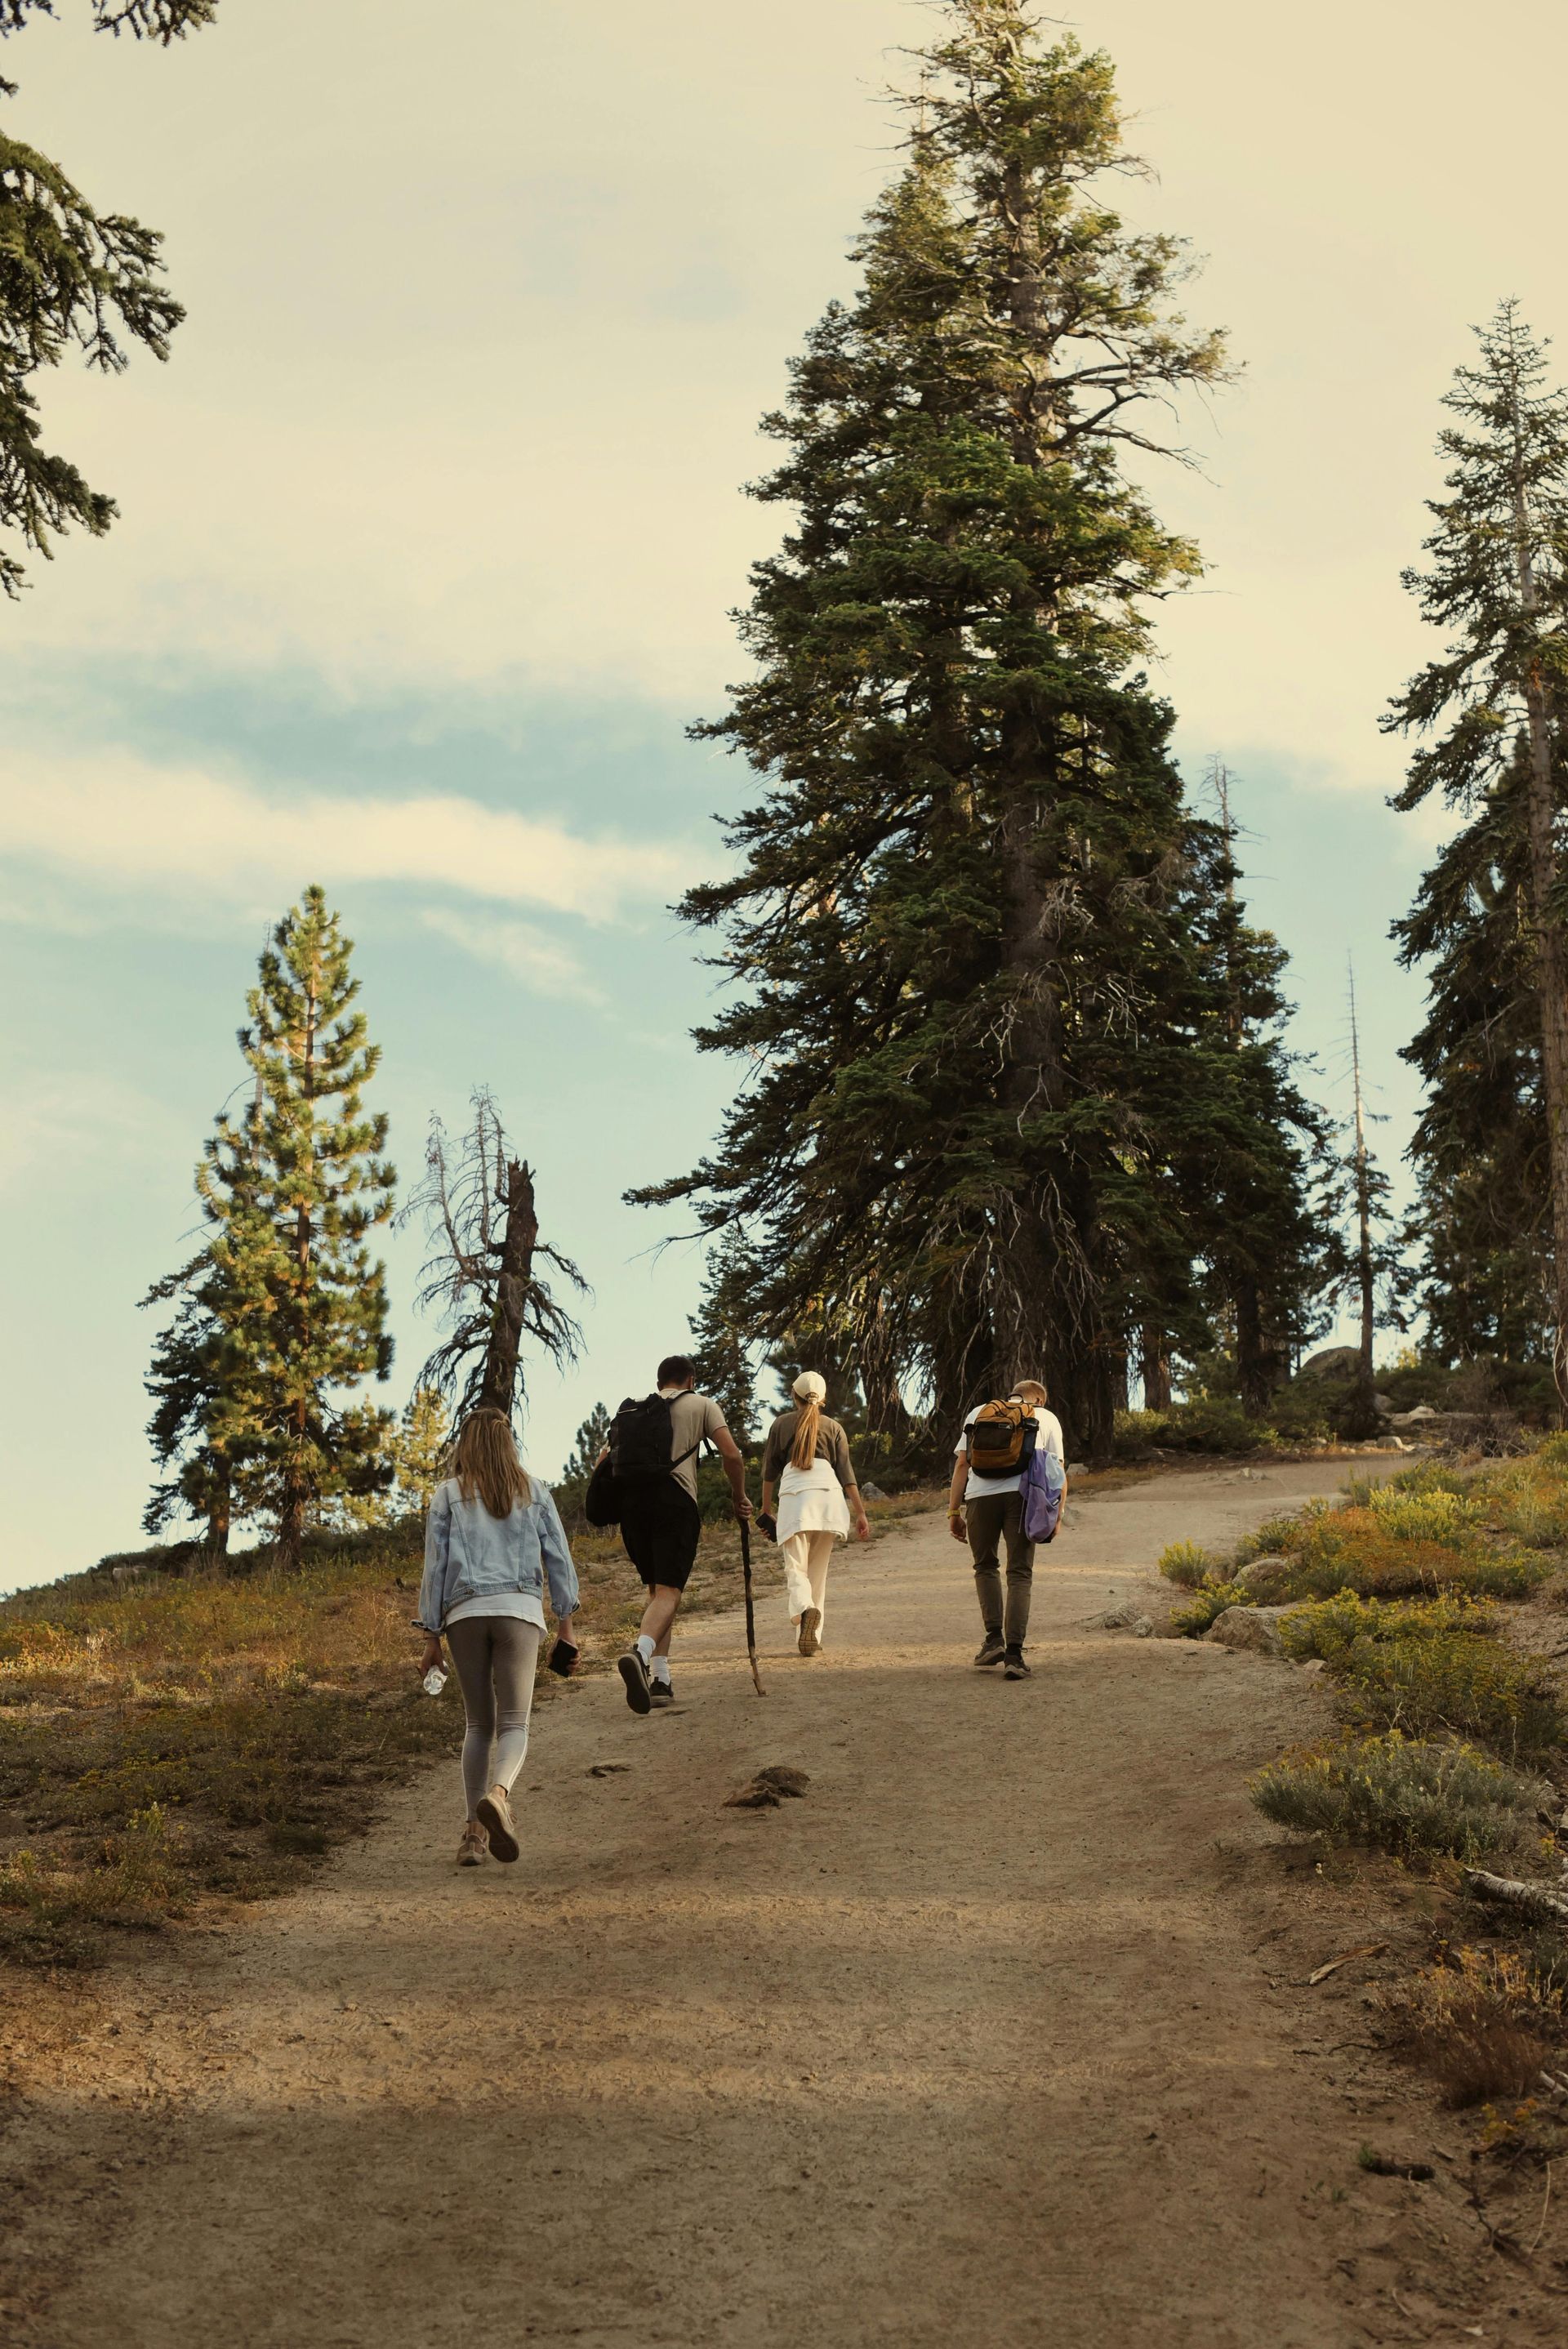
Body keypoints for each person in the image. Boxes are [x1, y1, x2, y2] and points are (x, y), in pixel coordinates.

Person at [416, 1406, 580, 1868]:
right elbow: (560, 1559)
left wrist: (431, 1635)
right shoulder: (534, 1491)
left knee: (477, 1725)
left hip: (464, 1614)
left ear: (464, 1445)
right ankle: (499, 1795)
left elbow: (435, 1566)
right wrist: (565, 1622)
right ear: (510, 1443)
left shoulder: (447, 1494)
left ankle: (472, 1835)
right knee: (514, 1723)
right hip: (519, 1612)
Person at [615, 1354, 751, 1714]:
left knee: (658, 1593)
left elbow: (606, 1461)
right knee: (670, 1592)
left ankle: (661, 1680)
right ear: (690, 1379)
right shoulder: (703, 1405)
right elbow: (732, 1456)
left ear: (659, 1381)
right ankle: (640, 1655)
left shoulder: (635, 1411)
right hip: (674, 1502)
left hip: (633, 1508)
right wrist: (739, 1497)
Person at [947, 1378, 1067, 1680]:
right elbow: (1057, 1472)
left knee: (985, 1566)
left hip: (978, 1498)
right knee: (1019, 1572)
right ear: (1039, 1399)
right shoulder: (1046, 1417)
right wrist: (1057, 1516)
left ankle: (992, 1639)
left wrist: (953, 1511)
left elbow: (962, 1465)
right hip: (1022, 1497)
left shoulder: (978, 1412)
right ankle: (1014, 1654)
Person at [760, 1371, 871, 1655]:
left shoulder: (781, 1425)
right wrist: (860, 1513)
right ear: (823, 1399)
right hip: (829, 1500)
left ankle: (805, 1609)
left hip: (796, 1499)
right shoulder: (834, 1427)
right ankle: (812, 1639)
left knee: (795, 1569)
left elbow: (769, 1474)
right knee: (817, 1575)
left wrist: (765, 1511)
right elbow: (847, 1474)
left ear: (793, 1395)